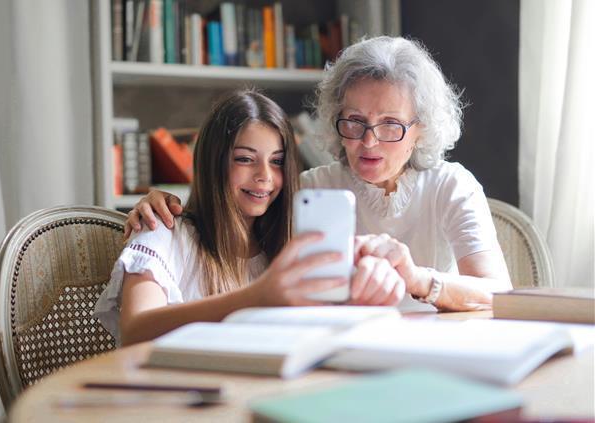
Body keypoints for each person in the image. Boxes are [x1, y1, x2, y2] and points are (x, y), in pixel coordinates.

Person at [125, 36, 513, 312]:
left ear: (421, 129)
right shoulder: (308, 189)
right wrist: (159, 203)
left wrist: (417, 279)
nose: (369, 142)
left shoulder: (451, 185)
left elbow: (498, 293)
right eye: (354, 122)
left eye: (391, 125)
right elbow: (229, 219)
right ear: (334, 119)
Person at [94, 90, 405, 346]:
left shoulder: (287, 245)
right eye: (245, 159)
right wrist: (256, 297)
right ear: (213, 162)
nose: (264, 177)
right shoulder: (163, 230)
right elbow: (135, 330)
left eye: (277, 162)